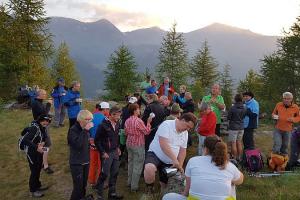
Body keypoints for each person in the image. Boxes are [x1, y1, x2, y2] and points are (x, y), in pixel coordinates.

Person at [163, 136, 244, 200]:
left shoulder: (193, 161)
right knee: (232, 183)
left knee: (167, 197)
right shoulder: (229, 165)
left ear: (205, 148)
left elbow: (187, 190)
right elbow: (240, 180)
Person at [143, 113, 197, 193]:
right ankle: (149, 190)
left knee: (165, 184)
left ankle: (162, 193)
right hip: (155, 154)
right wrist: (175, 160)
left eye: (190, 128)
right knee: (149, 168)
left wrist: (180, 165)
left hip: (170, 161)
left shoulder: (185, 133)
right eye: (187, 126)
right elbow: (163, 144)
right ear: (182, 120)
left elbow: (183, 150)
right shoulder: (167, 125)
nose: (188, 129)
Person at [95, 106, 123, 200]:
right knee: (104, 174)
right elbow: (97, 141)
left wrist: (118, 147)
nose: (119, 118)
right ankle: (99, 195)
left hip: (115, 152)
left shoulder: (118, 123)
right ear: (111, 115)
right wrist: (102, 152)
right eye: (117, 116)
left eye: (120, 116)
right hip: (106, 153)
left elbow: (116, 137)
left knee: (115, 173)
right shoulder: (103, 125)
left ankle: (112, 195)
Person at [22, 114, 52, 198]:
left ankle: (38, 186)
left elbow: (44, 136)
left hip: (38, 150)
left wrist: (43, 142)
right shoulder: (35, 128)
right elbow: (25, 140)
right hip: (31, 152)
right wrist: (36, 147)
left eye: (48, 121)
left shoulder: (42, 126)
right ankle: (33, 190)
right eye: (44, 121)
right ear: (40, 120)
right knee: (34, 171)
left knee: (38, 168)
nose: (46, 123)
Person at [124, 103, 153, 192]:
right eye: (138, 109)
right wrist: (148, 122)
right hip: (138, 145)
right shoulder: (138, 121)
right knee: (138, 166)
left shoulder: (127, 120)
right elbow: (147, 132)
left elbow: (126, 133)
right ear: (135, 111)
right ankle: (134, 187)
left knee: (131, 163)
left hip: (129, 144)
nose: (139, 110)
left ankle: (129, 183)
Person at [68, 110, 94, 200]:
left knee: (83, 185)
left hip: (85, 161)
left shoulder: (84, 130)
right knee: (78, 187)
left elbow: (84, 142)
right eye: (88, 119)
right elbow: (77, 145)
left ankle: (82, 198)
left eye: (91, 120)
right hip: (77, 163)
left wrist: (90, 143)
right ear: (81, 119)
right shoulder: (73, 130)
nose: (90, 122)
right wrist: (86, 130)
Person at [31, 89, 54, 174]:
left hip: (42, 125)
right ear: (38, 95)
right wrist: (49, 104)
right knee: (46, 145)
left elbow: (43, 113)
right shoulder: (36, 103)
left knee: (42, 144)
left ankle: (42, 162)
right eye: (43, 94)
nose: (45, 96)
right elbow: (44, 114)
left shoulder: (38, 102)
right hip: (42, 127)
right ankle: (45, 166)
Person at [88, 102, 110, 187]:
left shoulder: (91, 117)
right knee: (102, 164)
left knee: (93, 163)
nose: (108, 111)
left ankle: (92, 180)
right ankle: (101, 182)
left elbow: (88, 130)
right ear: (104, 109)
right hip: (101, 145)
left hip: (92, 144)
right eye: (108, 109)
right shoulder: (105, 119)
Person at [227, 94, 246, 161]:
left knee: (233, 143)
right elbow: (244, 116)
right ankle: (239, 158)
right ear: (241, 99)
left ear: (235, 99)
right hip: (241, 127)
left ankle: (234, 158)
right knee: (239, 142)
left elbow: (229, 117)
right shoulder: (244, 107)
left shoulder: (232, 108)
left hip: (233, 127)